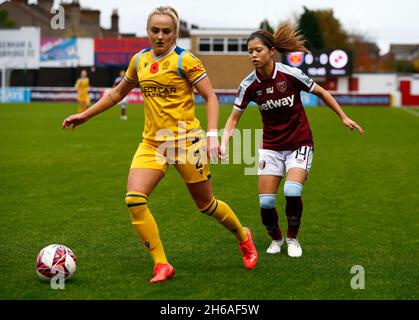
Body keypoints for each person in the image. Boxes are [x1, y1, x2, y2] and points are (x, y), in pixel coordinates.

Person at [62, 6, 258, 283]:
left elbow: (211, 97)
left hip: (186, 143)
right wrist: (84, 115)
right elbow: (118, 93)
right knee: (134, 199)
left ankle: (243, 235)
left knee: (206, 205)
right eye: (155, 30)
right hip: (152, 144)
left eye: (167, 31)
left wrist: (212, 136)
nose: (160, 36)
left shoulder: (186, 61)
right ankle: (161, 264)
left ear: (176, 33)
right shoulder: (139, 60)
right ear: (148, 31)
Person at [220, 22, 364, 258]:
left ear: (271, 51)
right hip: (271, 147)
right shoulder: (249, 85)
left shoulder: (290, 74)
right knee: (266, 203)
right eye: (250, 51)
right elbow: (234, 119)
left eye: (258, 50)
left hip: (299, 143)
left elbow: (321, 92)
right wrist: (224, 142)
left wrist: (343, 116)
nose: (253, 55)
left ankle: (293, 239)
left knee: (292, 190)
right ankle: (276, 240)